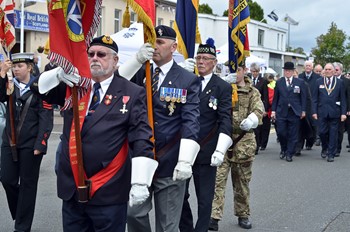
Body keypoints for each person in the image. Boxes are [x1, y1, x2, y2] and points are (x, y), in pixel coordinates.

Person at [33, 35, 158, 231]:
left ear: (115, 61)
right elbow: (36, 88)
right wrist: (58, 74)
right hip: (73, 189)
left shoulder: (132, 92)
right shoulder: (74, 86)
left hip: (109, 190)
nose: (94, 58)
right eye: (90, 54)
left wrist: (141, 182)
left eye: (101, 54)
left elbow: (141, 136)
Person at [127, 25, 201, 232]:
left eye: (159, 42)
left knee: (167, 225)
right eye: (152, 42)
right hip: (140, 158)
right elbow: (115, 85)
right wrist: (136, 60)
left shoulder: (187, 79)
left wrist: (185, 160)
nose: (155, 47)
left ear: (173, 47)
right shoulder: (139, 72)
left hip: (169, 160)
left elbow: (190, 120)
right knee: (133, 214)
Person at [179, 39, 232, 232]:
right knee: (180, 196)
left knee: (204, 197)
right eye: (198, 58)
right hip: (183, 150)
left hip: (206, 149)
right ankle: (186, 229)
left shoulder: (222, 87)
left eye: (206, 58)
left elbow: (225, 119)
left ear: (214, 62)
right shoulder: (185, 81)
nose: (201, 61)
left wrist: (220, 149)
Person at [0, 53, 53, 232]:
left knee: (28, 187)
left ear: (30, 67)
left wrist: (41, 143)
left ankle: (22, 228)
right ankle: (20, 211)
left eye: (20, 66)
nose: (15, 69)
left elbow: (46, 117)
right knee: (7, 179)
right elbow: (0, 97)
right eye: (14, 66)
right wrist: (2, 73)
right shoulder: (8, 85)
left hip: (31, 145)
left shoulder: (41, 86)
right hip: (10, 142)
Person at [209, 64, 264, 230]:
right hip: (221, 141)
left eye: (237, 70)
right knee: (217, 181)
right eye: (230, 70)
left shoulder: (252, 91)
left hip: (243, 141)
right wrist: (222, 85)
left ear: (244, 70)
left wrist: (253, 119)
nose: (234, 73)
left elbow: (259, 109)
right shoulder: (221, 88)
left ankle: (243, 214)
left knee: (241, 182)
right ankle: (214, 217)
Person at [271, 62, 307, 162]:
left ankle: (289, 153)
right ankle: (284, 148)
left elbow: (303, 98)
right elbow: (275, 98)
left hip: (295, 112)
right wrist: (273, 111)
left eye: (289, 70)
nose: (287, 72)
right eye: (286, 70)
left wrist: (303, 110)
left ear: (292, 71)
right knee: (282, 133)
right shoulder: (279, 82)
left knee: (293, 134)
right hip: (281, 111)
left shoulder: (299, 82)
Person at [312, 63, 347, 162]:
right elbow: (314, 98)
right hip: (322, 111)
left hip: (335, 112)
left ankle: (331, 154)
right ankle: (324, 147)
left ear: (333, 71)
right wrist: (314, 111)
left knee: (333, 134)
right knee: (322, 132)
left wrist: (343, 113)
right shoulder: (318, 81)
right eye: (326, 69)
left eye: (329, 69)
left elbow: (343, 99)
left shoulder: (339, 82)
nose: (327, 71)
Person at [297, 61, 321, 153]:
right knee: (301, 125)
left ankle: (310, 142)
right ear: (304, 67)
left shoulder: (317, 78)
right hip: (302, 104)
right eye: (306, 66)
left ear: (312, 67)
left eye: (309, 66)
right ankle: (299, 146)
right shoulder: (300, 77)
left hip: (312, 105)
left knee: (312, 125)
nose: (307, 67)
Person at [249, 63, 268, 154]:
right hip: (248, 106)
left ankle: (256, 146)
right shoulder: (248, 80)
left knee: (257, 127)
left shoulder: (263, 81)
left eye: (256, 71)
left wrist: (265, 110)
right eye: (253, 71)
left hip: (258, 106)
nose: (255, 73)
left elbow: (265, 96)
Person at [333, 62, 350, 157]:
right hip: (331, 108)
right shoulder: (329, 80)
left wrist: (347, 109)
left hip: (341, 109)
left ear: (341, 71)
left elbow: (348, 96)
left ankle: (337, 149)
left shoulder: (346, 81)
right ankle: (329, 147)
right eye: (333, 70)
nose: (335, 72)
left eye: (337, 70)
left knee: (339, 130)